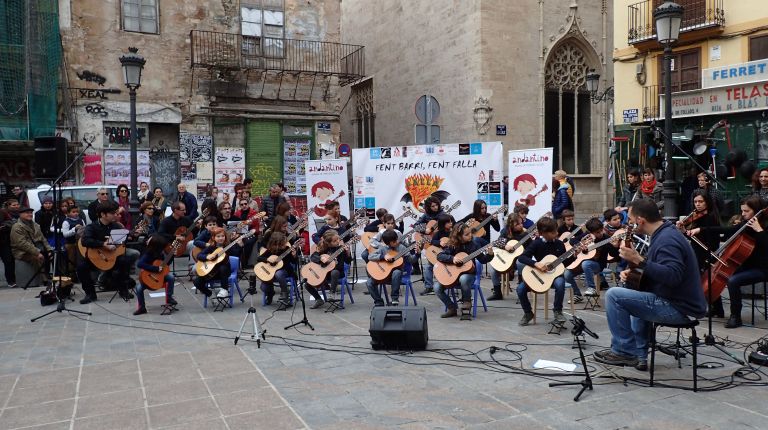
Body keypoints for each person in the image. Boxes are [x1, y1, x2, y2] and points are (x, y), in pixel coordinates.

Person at [594, 199, 706, 370]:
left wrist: (639, 260)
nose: (628, 223)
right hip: (676, 301)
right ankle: (639, 355)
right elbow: (660, 269)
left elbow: (673, 276)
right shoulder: (663, 233)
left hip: (680, 307)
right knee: (632, 288)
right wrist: (635, 272)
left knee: (613, 296)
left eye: (630, 219)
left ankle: (625, 351)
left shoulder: (667, 239)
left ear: (640, 220)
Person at [688, 195, 768, 328]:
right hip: (747, 265)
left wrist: (759, 230)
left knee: (733, 280)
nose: (743, 214)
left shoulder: (763, 225)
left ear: (756, 210)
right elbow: (727, 230)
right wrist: (700, 229)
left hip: (763, 268)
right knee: (713, 269)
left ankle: (735, 316)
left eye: (746, 211)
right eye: (742, 211)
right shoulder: (746, 223)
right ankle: (717, 308)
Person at [516, 216, 571, 326]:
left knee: (560, 283)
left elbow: (565, 263)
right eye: (552, 232)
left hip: (555, 276)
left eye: (556, 230)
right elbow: (521, 258)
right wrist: (536, 264)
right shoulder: (537, 243)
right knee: (520, 289)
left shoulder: (560, 244)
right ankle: (528, 313)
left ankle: (557, 311)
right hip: (539, 275)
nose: (556, 233)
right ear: (542, 233)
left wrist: (574, 255)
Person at [76, 201, 133, 304]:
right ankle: (90, 294)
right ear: (103, 214)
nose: (115, 215)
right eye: (112, 213)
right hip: (95, 258)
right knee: (81, 266)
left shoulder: (116, 226)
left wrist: (128, 236)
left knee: (124, 260)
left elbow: (122, 240)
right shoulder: (91, 227)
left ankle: (123, 290)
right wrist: (103, 244)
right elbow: (85, 241)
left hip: (110, 257)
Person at [676, 190, 722, 317]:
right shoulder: (697, 216)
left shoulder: (711, 216)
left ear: (707, 202)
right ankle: (717, 308)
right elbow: (692, 237)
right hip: (697, 249)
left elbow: (711, 235)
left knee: (704, 279)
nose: (698, 204)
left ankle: (698, 306)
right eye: (695, 202)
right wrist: (684, 230)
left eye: (701, 201)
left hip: (708, 250)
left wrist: (698, 230)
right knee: (705, 279)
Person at [435, 223, 494, 318]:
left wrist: (490, 254)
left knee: (464, 278)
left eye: (470, 233)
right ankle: (451, 308)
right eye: (466, 234)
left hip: (469, 275)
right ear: (458, 236)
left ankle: (467, 303)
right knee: (437, 287)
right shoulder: (452, 245)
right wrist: (452, 259)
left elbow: (483, 260)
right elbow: (440, 256)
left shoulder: (474, 245)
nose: (470, 235)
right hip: (452, 276)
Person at [563, 218, 620, 303]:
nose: (600, 233)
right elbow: (572, 240)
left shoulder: (606, 239)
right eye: (597, 232)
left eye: (601, 231)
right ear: (590, 232)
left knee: (586, 264)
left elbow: (613, 255)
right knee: (567, 274)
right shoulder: (587, 236)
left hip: (598, 265)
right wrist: (581, 245)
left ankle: (592, 288)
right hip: (581, 263)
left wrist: (615, 247)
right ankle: (577, 294)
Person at [366, 229, 419, 306]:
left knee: (396, 272)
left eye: (396, 240)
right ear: (387, 243)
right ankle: (378, 301)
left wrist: (418, 254)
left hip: (396, 276)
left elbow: (411, 260)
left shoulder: (402, 248)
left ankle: (394, 299)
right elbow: (370, 256)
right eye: (393, 242)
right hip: (383, 274)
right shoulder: (383, 248)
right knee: (369, 282)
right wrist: (383, 257)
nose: (396, 242)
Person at [307, 230, 351, 309]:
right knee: (307, 284)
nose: (338, 241)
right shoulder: (323, 249)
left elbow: (347, 261)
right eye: (335, 241)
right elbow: (313, 257)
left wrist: (348, 253)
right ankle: (318, 299)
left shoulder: (341, 249)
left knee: (335, 272)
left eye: (338, 239)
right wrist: (320, 258)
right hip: (324, 274)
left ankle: (332, 293)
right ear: (328, 243)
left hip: (337, 273)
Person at [488, 213, 528, 300]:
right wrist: (505, 246)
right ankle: (497, 292)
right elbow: (497, 242)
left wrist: (525, 251)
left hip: (519, 260)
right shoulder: (505, 232)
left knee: (520, 262)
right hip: (507, 259)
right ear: (511, 225)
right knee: (493, 268)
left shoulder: (525, 235)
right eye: (517, 224)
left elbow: (531, 248)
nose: (521, 225)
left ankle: (521, 291)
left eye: (521, 223)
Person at [134, 234, 177, 315]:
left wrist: (172, 255)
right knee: (139, 288)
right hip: (149, 278)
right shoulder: (148, 253)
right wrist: (155, 269)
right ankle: (142, 307)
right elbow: (140, 264)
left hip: (160, 277)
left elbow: (166, 264)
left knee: (171, 277)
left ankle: (169, 297)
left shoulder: (161, 253)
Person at [11, 207, 53, 287]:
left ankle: (54, 276)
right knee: (37, 258)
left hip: (37, 247)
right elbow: (22, 243)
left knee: (54, 255)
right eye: (27, 213)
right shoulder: (17, 227)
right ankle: (44, 279)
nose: (30, 214)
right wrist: (37, 252)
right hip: (22, 251)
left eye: (31, 213)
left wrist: (49, 250)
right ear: (20, 214)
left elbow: (43, 239)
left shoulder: (35, 225)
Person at [413, 196, 444, 295]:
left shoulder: (443, 215)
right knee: (428, 267)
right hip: (430, 243)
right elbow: (416, 226)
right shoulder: (426, 216)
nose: (435, 207)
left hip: (441, 243)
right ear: (428, 207)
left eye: (436, 205)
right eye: (432, 206)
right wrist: (424, 230)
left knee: (438, 265)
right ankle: (429, 287)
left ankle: (444, 285)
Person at [256, 231, 296, 307]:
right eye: (283, 243)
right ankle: (270, 294)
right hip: (270, 272)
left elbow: (293, 261)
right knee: (263, 287)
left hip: (285, 270)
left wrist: (294, 256)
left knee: (279, 274)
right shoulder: (270, 250)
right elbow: (259, 258)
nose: (285, 244)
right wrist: (267, 259)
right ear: (277, 243)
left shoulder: (287, 249)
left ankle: (285, 293)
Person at [193, 227, 234, 300]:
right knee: (196, 281)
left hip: (224, 273)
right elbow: (199, 255)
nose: (221, 238)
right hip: (211, 272)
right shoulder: (211, 247)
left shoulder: (228, 246)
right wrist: (207, 256)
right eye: (218, 236)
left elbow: (236, 252)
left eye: (222, 236)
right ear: (213, 237)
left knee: (223, 268)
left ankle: (224, 289)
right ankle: (210, 294)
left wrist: (240, 244)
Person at [60, 205, 85, 278]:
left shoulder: (81, 220)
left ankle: (80, 275)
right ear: (68, 213)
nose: (76, 213)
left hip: (80, 243)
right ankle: (71, 276)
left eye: (77, 212)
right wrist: (74, 229)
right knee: (71, 260)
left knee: (80, 260)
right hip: (70, 244)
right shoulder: (66, 222)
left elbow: (84, 229)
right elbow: (65, 234)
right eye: (73, 212)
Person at [0, 199, 19, 287]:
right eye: (13, 205)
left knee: (9, 261)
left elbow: (12, 224)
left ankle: (11, 281)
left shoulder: (4, 212)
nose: (16, 206)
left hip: (4, 241)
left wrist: (5, 226)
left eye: (17, 205)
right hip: (4, 240)